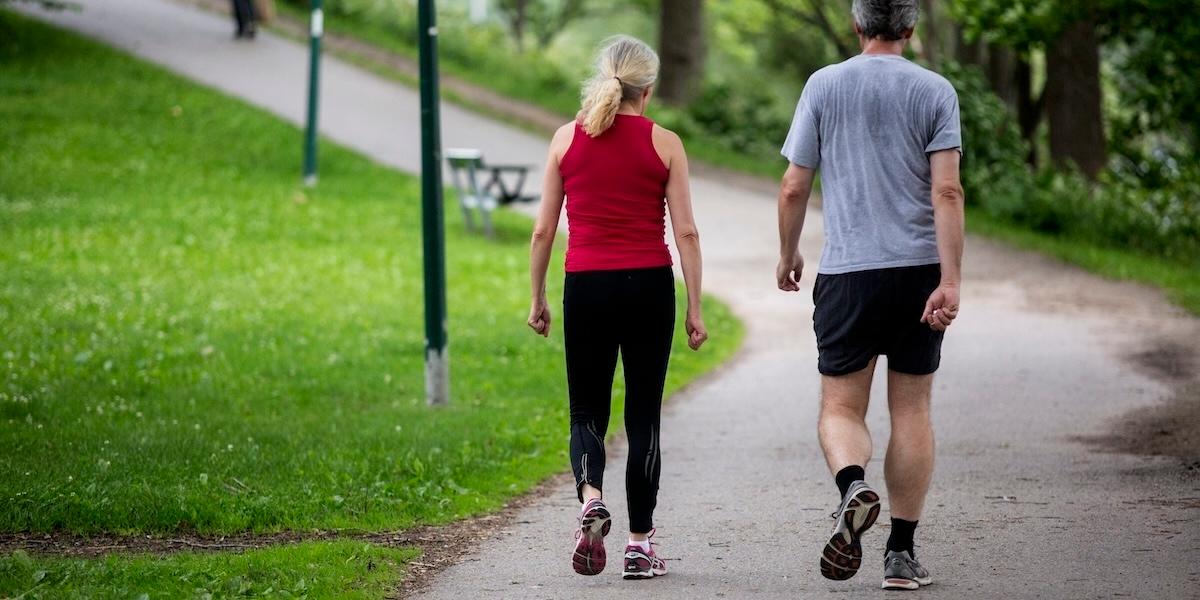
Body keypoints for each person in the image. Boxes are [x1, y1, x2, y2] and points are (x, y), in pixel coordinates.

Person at [775, 0, 964, 591]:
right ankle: (901, 556)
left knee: (839, 408)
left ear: (858, 24)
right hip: (917, 273)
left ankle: (851, 485)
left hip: (848, 274)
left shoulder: (823, 86)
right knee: (911, 410)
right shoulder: (936, 91)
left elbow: (792, 185)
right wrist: (950, 279)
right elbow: (949, 192)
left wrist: (788, 253)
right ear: (910, 27)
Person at [527, 36, 708, 580]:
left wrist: (536, 296)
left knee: (587, 411)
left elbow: (542, 230)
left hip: (586, 286)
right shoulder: (666, 143)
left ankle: (590, 500)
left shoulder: (565, 139)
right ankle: (638, 544)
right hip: (648, 286)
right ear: (647, 91)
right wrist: (694, 308)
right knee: (644, 416)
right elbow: (688, 232)